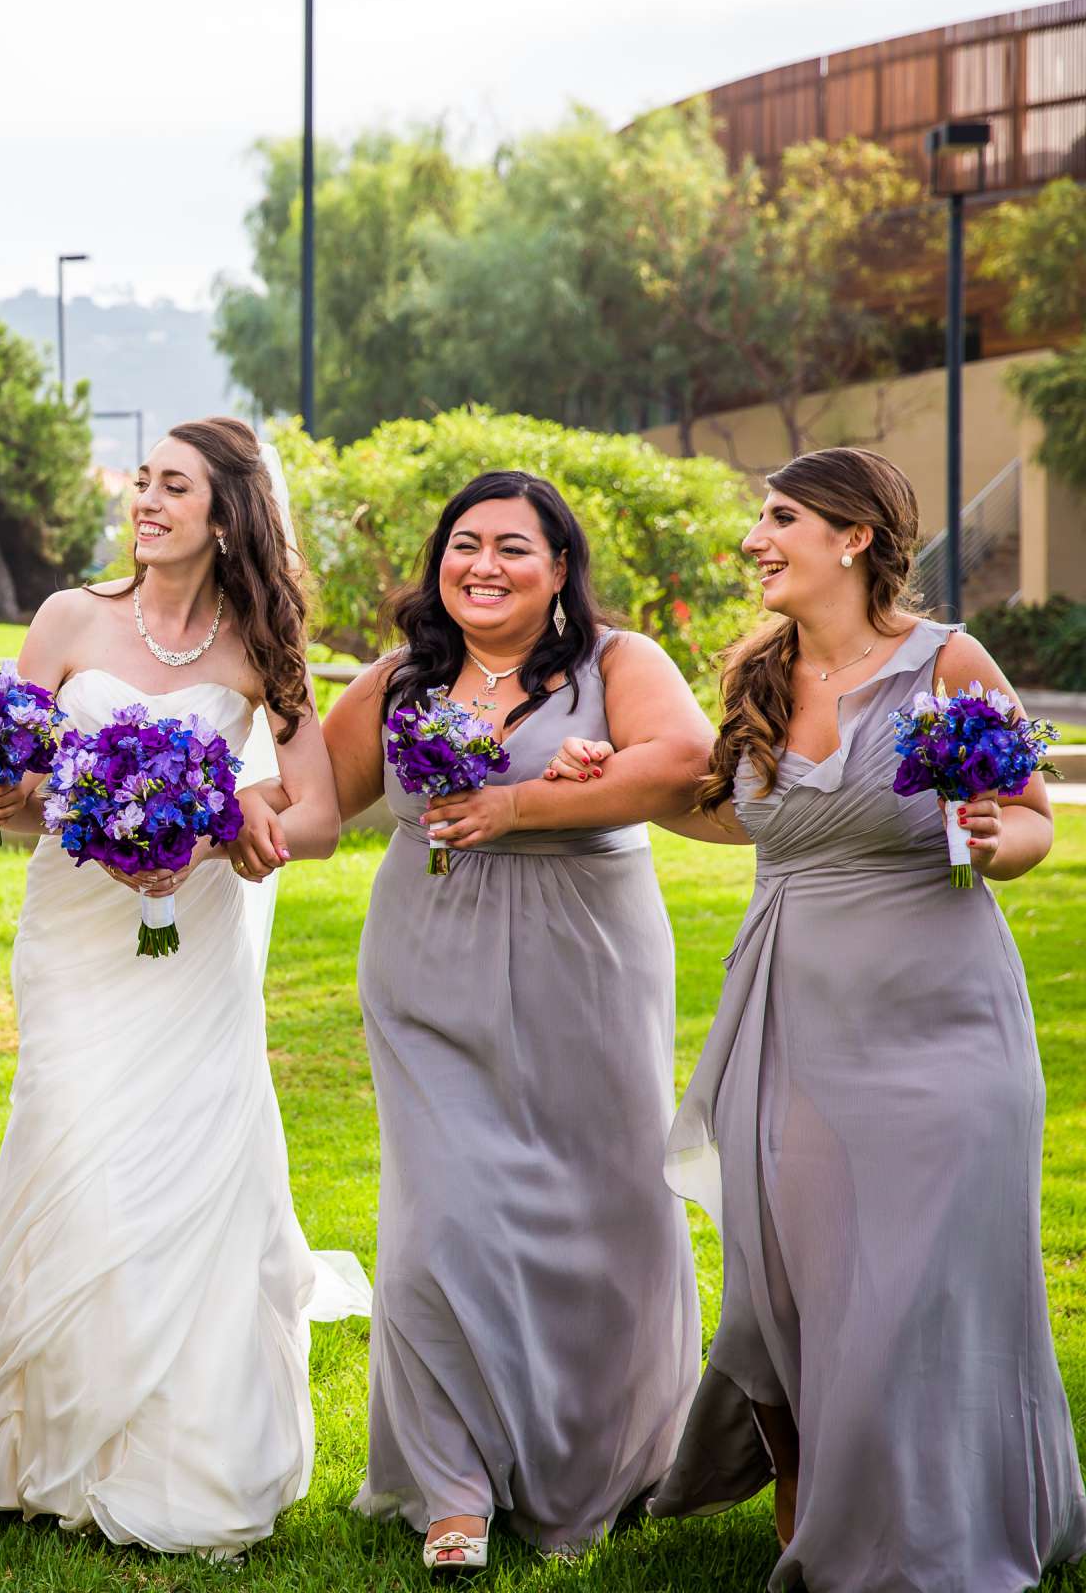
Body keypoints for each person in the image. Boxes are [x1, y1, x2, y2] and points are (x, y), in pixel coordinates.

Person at [550, 447, 1084, 1591]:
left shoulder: (950, 663)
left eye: (779, 517)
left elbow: (1036, 818)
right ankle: (808, 1509)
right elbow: (745, 820)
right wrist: (616, 769)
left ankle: (940, 1517)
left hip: (944, 1022)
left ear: (852, 537)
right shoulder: (756, 672)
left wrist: (1001, 840)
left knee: (923, 1283)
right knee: (790, 1282)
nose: (756, 540)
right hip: (792, 1014)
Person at [0, 417, 369, 1557]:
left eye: (176, 486)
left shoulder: (264, 640)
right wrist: (3, 797)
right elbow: (5, 775)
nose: (148, 500)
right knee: (70, 1139)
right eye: (143, 481)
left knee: (185, 1163)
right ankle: (36, 1436)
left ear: (228, 513)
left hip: (195, 939)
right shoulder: (69, 618)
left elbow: (311, 813)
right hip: (73, 933)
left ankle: (171, 1445)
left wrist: (210, 837)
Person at [318, 470, 708, 1572]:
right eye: (462, 544)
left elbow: (682, 762)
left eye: (512, 548)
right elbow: (311, 802)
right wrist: (171, 810)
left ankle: (601, 1458)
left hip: (588, 963)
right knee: (441, 1221)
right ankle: (453, 1486)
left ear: (561, 570)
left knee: (605, 1211)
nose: (481, 565)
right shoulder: (399, 679)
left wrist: (527, 800)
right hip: (427, 968)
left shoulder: (621, 665)